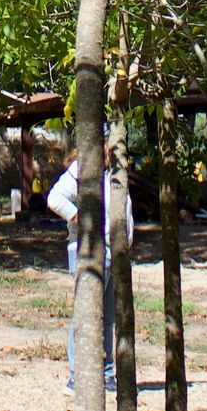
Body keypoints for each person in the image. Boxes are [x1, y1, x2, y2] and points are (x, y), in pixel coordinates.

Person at [48, 152, 134, 390]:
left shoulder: (114, 175)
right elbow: (55, 198)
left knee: (107, 317)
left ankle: (106, 373)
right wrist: (80, 218)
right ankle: (77, 374)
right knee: (85, 315)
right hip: (89, 251)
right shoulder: (83, 168)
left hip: (113, 254)